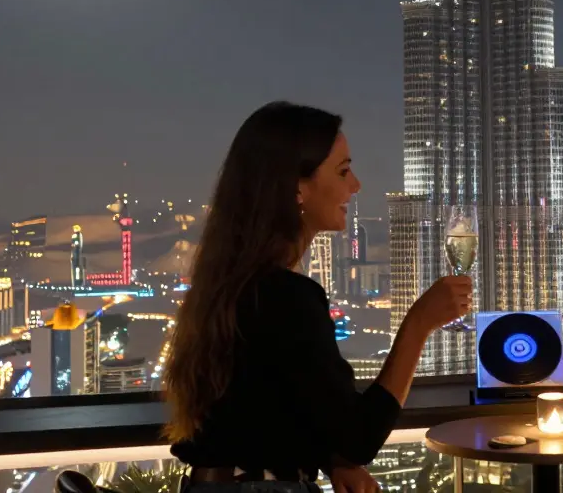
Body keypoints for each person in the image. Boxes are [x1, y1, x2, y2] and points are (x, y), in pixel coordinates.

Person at [164, 102, 472, 493]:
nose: (356, 185)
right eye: (343, 171)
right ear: (297, 187)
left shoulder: (235, 286)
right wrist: (419, 324)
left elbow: (264, 406)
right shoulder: (287, 297)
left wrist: (328, 459)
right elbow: (359, 439)